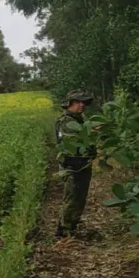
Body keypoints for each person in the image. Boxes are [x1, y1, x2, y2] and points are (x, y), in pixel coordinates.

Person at [55, 89, 97, 239]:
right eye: (79, 102)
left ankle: (71, 228)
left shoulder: (81, 119)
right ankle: (64, 230)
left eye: (84, 102)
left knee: (80, 199)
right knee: (71, 199)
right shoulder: (65, 122)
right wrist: (90, 133)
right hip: (71, 167)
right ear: (70, 103)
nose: (82, 105)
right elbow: (72, 143)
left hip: (83, 165)